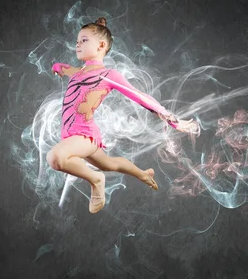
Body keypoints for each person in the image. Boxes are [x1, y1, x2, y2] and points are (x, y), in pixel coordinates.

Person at [49, 17, 198, 213]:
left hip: (84, 135)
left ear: (101, 45)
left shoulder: (109, 75)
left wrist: (167, 116)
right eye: (77, 40)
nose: (78, 43)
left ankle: (96, 179)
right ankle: (143, 174)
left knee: (55, 158)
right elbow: (61, 67)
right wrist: (57, 67)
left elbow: (139, 96)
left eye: (84, 40)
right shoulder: (77, 72)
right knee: (110, 164)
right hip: (71, 135)